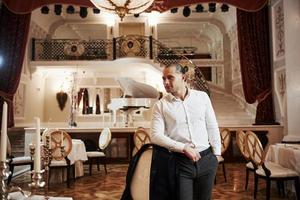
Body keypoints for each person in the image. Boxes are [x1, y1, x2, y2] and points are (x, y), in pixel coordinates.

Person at [150, 63, 221, 200]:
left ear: (183, 77)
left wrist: (216, 155)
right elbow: (155, 136)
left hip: (207, 160)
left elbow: (212, 125)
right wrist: (183, 148)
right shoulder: (160, 105)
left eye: (170, 78)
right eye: (163, 78)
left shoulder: (202, 97)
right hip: (180, 163)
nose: (165, 82)